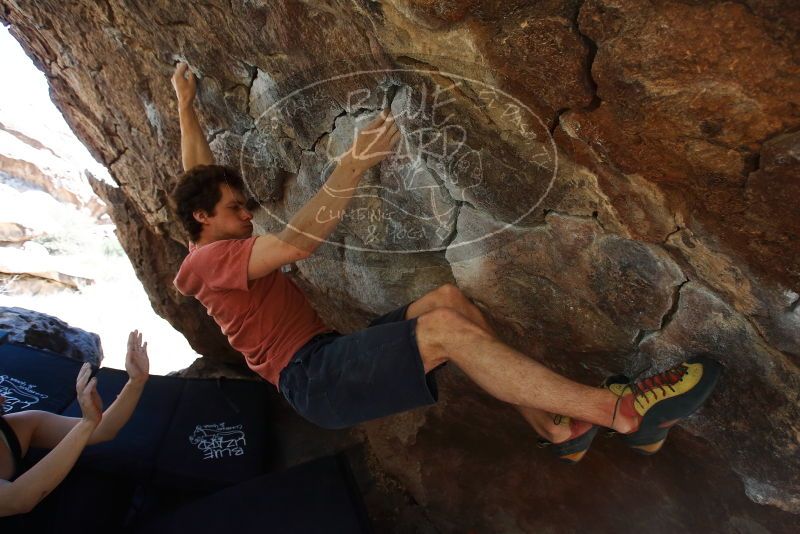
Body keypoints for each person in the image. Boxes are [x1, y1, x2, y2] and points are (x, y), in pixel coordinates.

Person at [169, 63, 722, 463]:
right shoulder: (208, 263)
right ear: (203, 219)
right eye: (236, 209)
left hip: (325, 356)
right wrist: (353, 164)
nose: (248, 215)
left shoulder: (209, 243)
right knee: (441, 333)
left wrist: (184, 105)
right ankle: (619, 411)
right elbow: (295, 245)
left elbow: (197, 173)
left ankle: (558, 428)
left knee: (447, 302)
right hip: (312, 380)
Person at [0, 330, 150, 516]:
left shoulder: (17, 427)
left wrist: (135, 382)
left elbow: (103, 430)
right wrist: (86, 424)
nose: (3, 398)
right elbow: (18, 500)